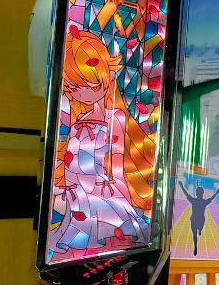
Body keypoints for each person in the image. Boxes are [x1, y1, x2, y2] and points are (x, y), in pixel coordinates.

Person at [49, 28, 152, 257]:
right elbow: (72, 160)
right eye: (72, 88)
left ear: (106, 78)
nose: (79, 93)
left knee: (103, 232)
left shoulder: (115, 117)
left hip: (99, 188)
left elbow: (117, 160)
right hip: (77, 190)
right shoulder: (78, 120)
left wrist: (116, 187)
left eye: (89, 85)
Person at [178, 178, 217, 256]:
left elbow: (186, 194)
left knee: (194, 234)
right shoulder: (204, 202)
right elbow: (211, 198)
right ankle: (196, 243)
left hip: (194, 219)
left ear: (196, 193)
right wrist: (217, 192)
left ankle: (196, 242)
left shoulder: (194, 200)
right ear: (202, 193)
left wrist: (182, 186)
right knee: (198, 230)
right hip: (200, 219)